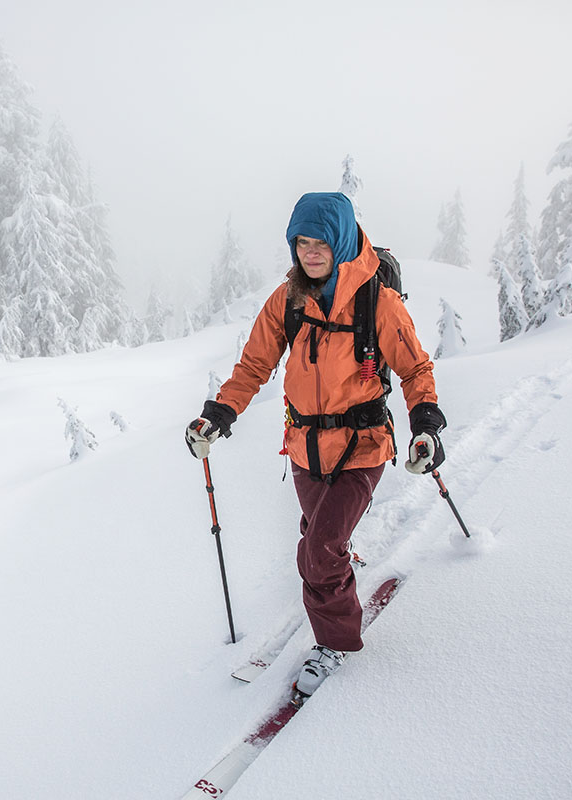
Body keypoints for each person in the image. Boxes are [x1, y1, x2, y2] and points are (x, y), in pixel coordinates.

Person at [184, 191, 447, 699]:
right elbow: (254, 366)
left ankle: (338, 644)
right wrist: (219, 414)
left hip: (362, 446)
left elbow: (415, 368)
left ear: (341, 241)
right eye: (301, 242)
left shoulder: (378, 302)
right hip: (304, 448)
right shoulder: (288, 301)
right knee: (319, 536)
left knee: (319, 551)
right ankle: (338, 571)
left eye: (320, 242)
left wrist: (425, 422)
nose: (310, 252)